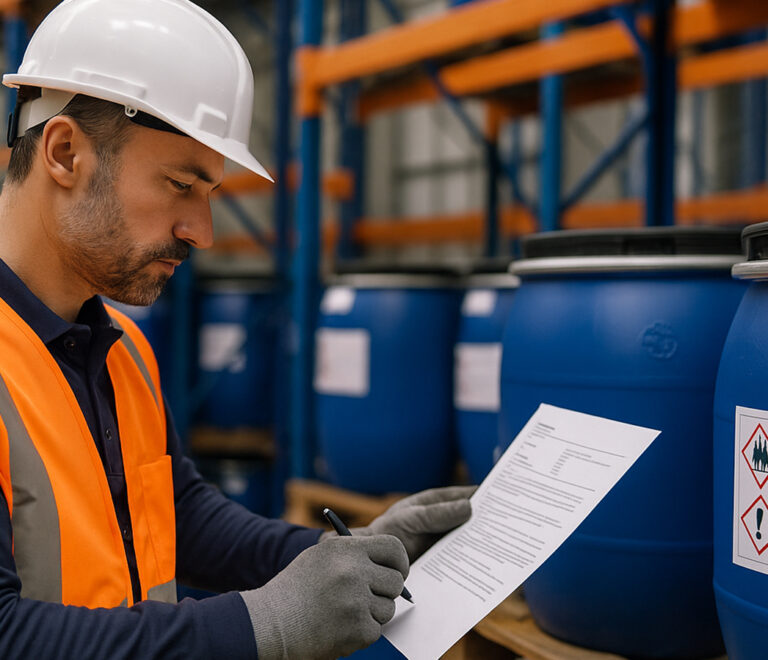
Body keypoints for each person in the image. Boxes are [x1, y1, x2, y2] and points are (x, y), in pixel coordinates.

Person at [0, 0, 474, 658]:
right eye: (179, 183)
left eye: (210, 193)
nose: (203, 231)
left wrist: (339, 552)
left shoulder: (121, 349)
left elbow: (179, 513)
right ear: (63, 152)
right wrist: (263, 626)